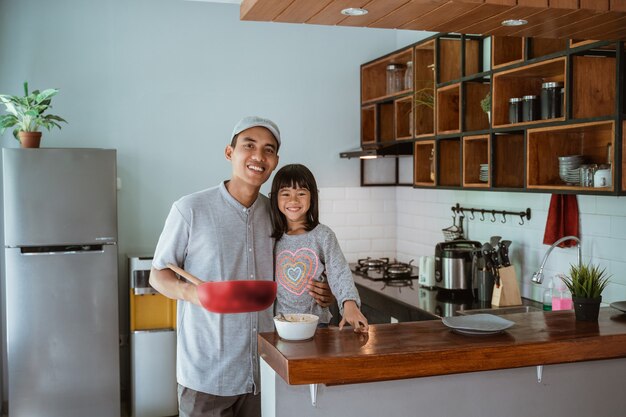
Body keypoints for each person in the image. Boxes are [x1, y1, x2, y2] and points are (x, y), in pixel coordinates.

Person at [149, 116, 333, 417]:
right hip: (208, 374)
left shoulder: (276, 214)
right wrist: (196, 294)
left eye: (269, 150)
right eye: (249, 146)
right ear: (229, 152)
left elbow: (297, 266)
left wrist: (323, 291)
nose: (259, 156)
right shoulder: (190, 209)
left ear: (274, 162)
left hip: (263, 370)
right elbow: (159, 275)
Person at [270, 163, 369, 332]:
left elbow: (340, 272)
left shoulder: (323, 235)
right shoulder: (272, 236)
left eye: (301, 193)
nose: (293, 200)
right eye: (285, 193)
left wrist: (349, 304)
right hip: (280, 325)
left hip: (317, 325)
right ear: (275, 199)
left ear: (312, 197)